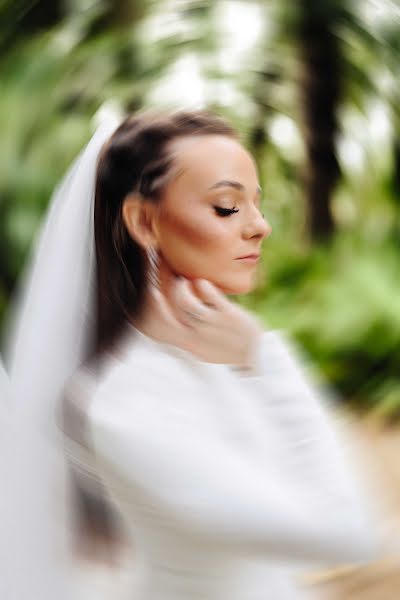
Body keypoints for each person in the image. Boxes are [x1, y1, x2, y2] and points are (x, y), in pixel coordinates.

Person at [7, 108, 379, 600]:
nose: (261, 226)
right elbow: (343, 532)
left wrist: (251, 359)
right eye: (227, 207)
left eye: (256, 204)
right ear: (143, 221)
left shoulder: (214, 350)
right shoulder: (122, 405)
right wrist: (267, 360)